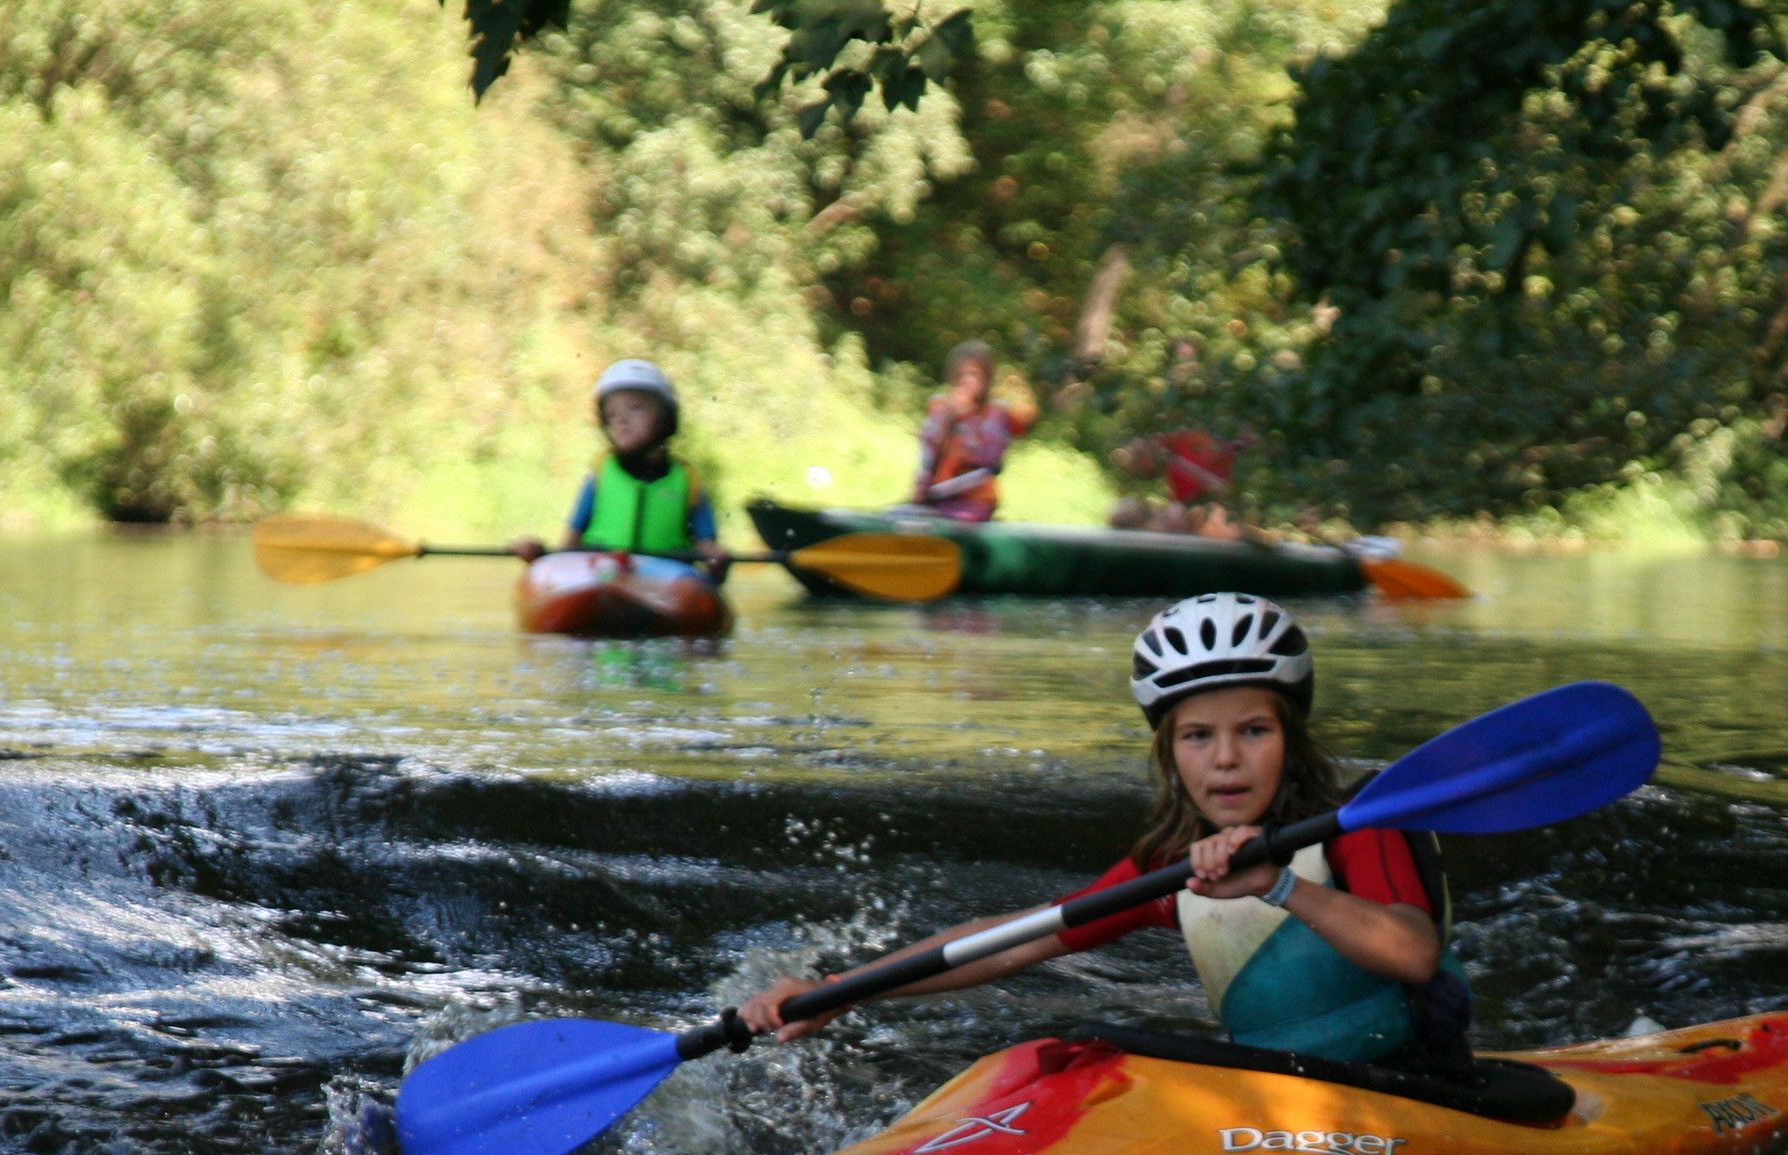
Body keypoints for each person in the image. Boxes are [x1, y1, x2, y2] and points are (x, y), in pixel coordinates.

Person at [743, 593, 1472, 1067]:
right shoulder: (1173, 868)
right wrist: (839, 991)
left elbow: (1412, 954)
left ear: (1291, 737)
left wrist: (1280, 884)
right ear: (1169, 753)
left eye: (1253, 730)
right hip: (1274, 1102)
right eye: (1197, 736)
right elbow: (1013, 941)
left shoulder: (1359, 823)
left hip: (1419, 1088)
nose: (1225, 759)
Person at [511, 360, 727, 578]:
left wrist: (716, 560)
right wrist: (539, 556)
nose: (622, 420)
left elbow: (708, 550)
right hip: (600, 572)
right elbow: (568, 546)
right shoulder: (600, 476)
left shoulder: (687, 481)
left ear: (665, 419)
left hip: (664, 576)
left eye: (636, 408)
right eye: (612, 414)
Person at [910, 342, 1036, 522]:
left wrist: (969, 421)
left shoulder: (996, 414)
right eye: (960, 375)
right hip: (935, 497)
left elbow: (989, 457)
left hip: (974, 501)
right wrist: (950, 419)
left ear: (986, 378)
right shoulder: (941, 408)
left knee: (955, 524)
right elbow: (929, 452)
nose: (966, 381)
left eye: (973, 375)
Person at [1108, 428, 1253, 537]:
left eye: (1139, 445)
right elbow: (1221, 492)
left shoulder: (1179, 431)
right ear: (1146, 469)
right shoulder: (1180, 488)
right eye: (1140, 455)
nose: (1144, 446)